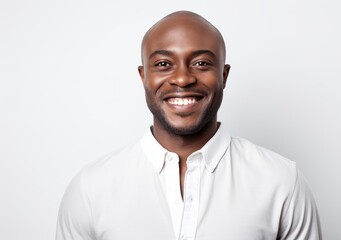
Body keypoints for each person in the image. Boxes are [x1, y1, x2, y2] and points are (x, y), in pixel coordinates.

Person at [56, 10, 322, 240]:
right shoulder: (91, 189)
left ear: (224, 75)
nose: (182, 79)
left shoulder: (281, 181)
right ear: (143, 76)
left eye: (201, 63)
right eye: (163, 64)